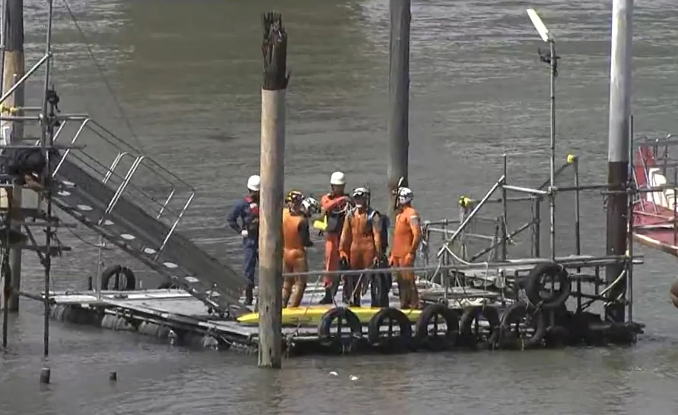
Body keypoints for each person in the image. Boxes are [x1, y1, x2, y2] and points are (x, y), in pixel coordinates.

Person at [339, 187, 383, 306]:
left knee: (371, 277)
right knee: (353, 277)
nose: (358, 201)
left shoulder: (373, 215)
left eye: (361, 198)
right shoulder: (350, 215)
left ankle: (376, 302)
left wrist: (378, 253)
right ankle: (355, 302)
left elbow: (377, 235)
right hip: (354, 249)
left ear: (366, 199)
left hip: (368, 249)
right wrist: (342, 250)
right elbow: (345, 234)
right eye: (356, 198)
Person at [318, 171, 352, 304]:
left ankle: (347, 294)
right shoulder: (327, 198)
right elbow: (326, 206)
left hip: (345, 236)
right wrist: (342, 200)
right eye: (337, 186)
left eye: (341, 186)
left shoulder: (349, 200)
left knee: (346, 264)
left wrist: (347, 201)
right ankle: (328, 293)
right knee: (330, 266)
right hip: (332, 237)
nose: (339, 189)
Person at [227, 174, 260, 306]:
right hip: (250, 240)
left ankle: (265, 294)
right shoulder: (242, 204)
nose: (255, 194)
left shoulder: (266, 201)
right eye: (254, 192)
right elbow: (231, 219)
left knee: (268, 267)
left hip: (264, 239)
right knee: (249, 269)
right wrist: (241, 231)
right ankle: (248, 297)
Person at [389, 187, 422, 309]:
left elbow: (417, 234)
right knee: (400, 281)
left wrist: (411, 252)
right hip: (397, 254)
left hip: (406, 253)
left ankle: (415, 303)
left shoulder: (411, 214)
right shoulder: (399, 216)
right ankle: (404, 303)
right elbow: (397, 237)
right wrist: (392, 254)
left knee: (409, 280)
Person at [282, 190, 313, 308]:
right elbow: (305, 241)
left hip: (285, 251)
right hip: (298, 254)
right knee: (300, 283)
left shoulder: (283, 214)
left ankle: (283, 305)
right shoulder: (302, 221)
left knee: (286, 282)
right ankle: (293, 308)